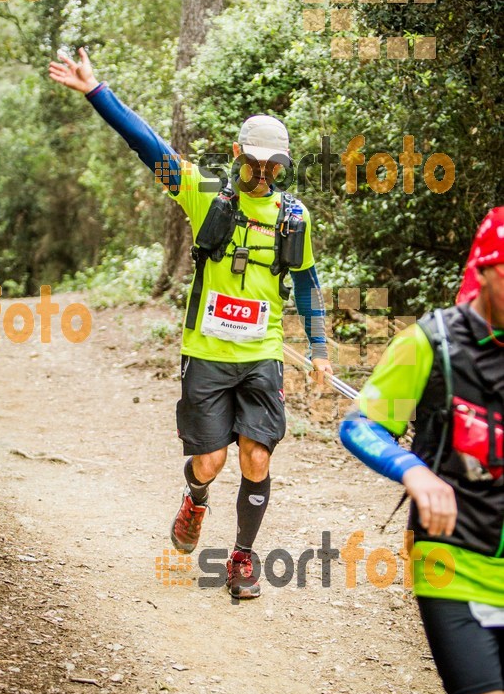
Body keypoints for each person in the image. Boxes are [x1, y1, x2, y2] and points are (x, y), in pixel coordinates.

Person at [49, 47, 332, 599]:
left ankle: (243, 559)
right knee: (209, 461)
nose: (261, 174)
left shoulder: (293, 218)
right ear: (236, 155)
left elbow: (306, 283)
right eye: (253, 162)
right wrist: (95, 92)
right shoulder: (204, 197)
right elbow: (148, 146)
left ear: (285, 166)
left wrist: (319, 348)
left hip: (260, 356)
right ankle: (194, 499)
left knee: (256, 455)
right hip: (206, 354)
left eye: (273, 166)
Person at [339, 207, 504, 694]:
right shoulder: (431, 343)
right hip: (455, 567)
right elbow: (359, 424)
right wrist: (413, 469)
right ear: (485, 270)